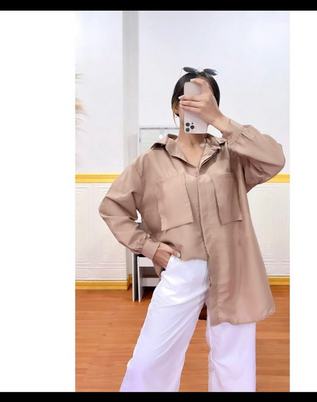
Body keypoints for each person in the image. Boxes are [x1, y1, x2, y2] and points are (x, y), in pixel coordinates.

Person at [98, 67, 286, 392]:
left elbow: (275, 159)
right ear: (175, 106)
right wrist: (149, 247)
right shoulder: (151, 161)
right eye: (189, 99)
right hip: (182, 270)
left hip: (234, 269)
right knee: (149, 361)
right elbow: (112, 207)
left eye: (206, 100)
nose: (197, 107)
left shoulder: (233, 156)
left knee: (235, 364)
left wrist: (222, 121)